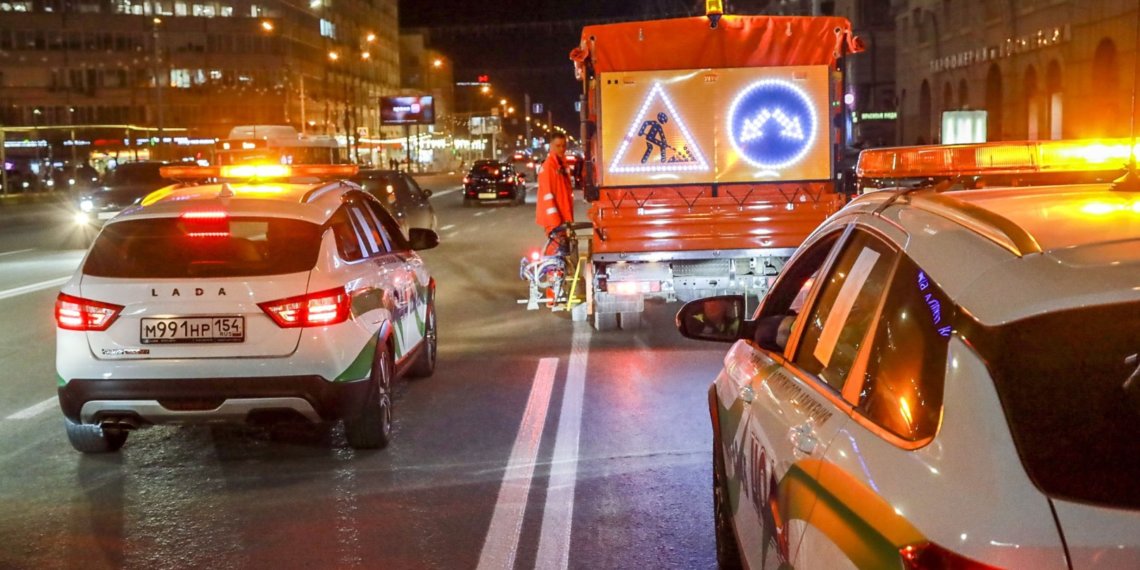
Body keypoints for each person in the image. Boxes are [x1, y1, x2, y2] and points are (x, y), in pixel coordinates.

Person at [536, 132, 575, 256]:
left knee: (563, 253)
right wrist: (555, 222)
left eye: (564, 146)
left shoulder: (562, 165)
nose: (562, 149)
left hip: (562, 218)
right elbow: (547, 195)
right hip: (555, 220)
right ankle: (552, 273)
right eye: (558, 146)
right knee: (556, 253)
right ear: (551, 146)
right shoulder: (548, 167)